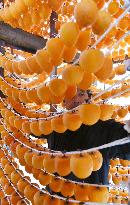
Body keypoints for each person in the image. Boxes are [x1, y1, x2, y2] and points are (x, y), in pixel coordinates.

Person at [38, 89, 130, 185]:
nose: (76, 99)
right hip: (55, 193)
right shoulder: (54, 124)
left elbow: (126, 147)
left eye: (81, 94)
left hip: (90, 196)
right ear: (64, 102)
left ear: (89, 99)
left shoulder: (106, 127)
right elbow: (32, 129)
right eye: (71, 95)